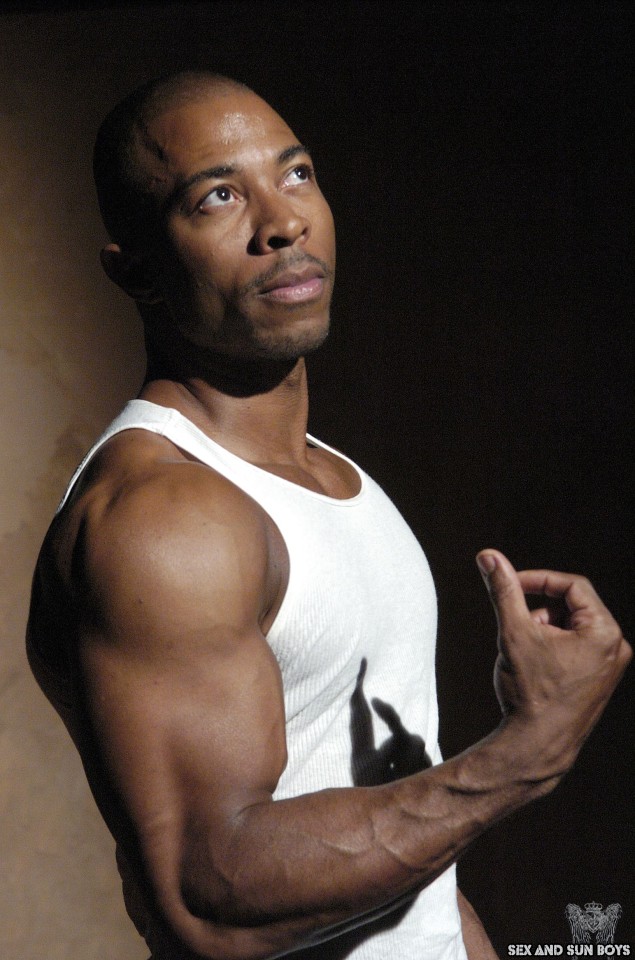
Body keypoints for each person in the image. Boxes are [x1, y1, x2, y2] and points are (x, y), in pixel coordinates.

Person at [26, 70, 630, 960]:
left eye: (296, 174)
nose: (282, 222)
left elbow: (408, 875)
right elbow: (207, 898)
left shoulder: (332, 477)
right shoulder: (165, 519)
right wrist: (524, 754)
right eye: (218, 196)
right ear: (136, 271)